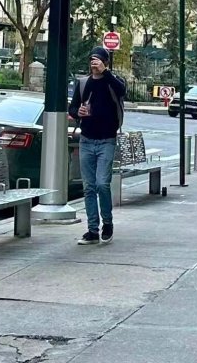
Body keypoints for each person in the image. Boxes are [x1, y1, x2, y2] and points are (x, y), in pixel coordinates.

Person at [68, 47, 125, 245]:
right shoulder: (84, 83)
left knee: (102, 183)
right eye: (92, 59)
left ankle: (107, 222)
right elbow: (72, 107)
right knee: (89, 187)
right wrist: (78, 112)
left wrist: (105, 72)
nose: (94, 63)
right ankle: (92, 230)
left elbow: (122, 91)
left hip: (106, 140)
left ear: (105, 63)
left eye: (98, 60)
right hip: (86, 139)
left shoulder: (112, 81)